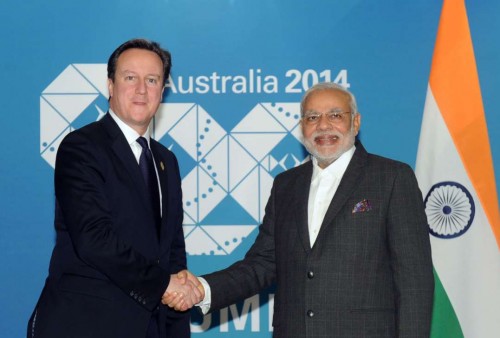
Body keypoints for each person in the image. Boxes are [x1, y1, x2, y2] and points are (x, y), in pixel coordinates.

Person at [165, 82, 435, 337]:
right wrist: (202, 288)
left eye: (335, 115)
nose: (323, 126)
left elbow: (415, 282)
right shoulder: (286, 185)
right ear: (302, 127)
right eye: (312, 117)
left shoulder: (391, 178)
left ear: (356, 122)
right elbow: (263, 263)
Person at [28, 38, 203, 338]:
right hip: (87, 324)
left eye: (151, 80)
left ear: (162, 91)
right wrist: (164, 284)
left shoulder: (166, 161)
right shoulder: (81, 148)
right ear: (110, 85)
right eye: (130, 77)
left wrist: (180, 285)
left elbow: (172, 248)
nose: (141, 89)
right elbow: (94, 239)